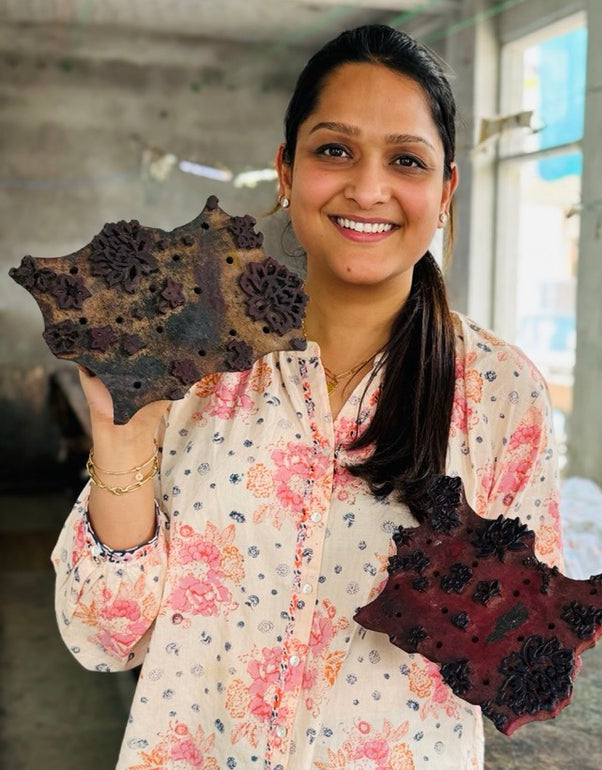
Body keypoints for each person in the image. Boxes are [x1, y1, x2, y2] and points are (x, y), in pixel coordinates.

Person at [52, 24, 562, 770]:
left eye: (406, 160)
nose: (369, 188)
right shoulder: (198, 364)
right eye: (334, 150)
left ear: (446, 190)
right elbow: (103, 639)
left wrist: (474, 602)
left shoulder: (500, 395)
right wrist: (121, 435)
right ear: (285, 170)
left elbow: (518, 663)